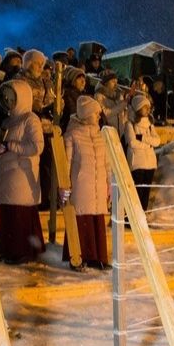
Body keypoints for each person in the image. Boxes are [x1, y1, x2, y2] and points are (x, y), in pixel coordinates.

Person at [0, 80, 45, 264]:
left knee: (20, 214)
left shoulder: (31, 119)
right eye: (5, 98)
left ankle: (23, 251)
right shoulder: (7, 121)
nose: (8, 101)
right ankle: (9, 250)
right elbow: (2, 143)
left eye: (11, 97)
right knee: (10, 215)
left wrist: (9, 147)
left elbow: (37, 146)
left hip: (22, 175)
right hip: (6, 174)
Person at [62, 96, 111, 268]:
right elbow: (65, 164)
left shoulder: (100, 136)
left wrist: (109, 185)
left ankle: (97, 257)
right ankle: (77, 257)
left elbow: (107, 164)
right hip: (81, 185)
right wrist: (64, 188)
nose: (99, 116)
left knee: (96, 221)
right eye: (96, 113)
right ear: (87, 114)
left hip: (98, 186)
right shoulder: (72, 135)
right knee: (81, 221)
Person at [124, 94, 161, 212]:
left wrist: (143, 138)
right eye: (145, 107)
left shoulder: (150, 125)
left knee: (146, 193)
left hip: (150, 163)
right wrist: (149, 144)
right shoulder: (130, 124)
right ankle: (133, 218)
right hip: (137, 163)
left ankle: (142, 217)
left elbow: (157, 141)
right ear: (138, 108)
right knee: (137, 193)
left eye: (148, 107)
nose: (148, 109)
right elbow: (132, 142)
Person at [95, 69, 131, 137]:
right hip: (109, 133)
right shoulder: (99, 95)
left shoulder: (118, 94)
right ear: (106, 83)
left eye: (116, 82)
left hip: (121, 133)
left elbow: (124, 113)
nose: (116, 84)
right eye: (113, 82)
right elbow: (105, 113)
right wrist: (123, 104)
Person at [60, 65, 86, 131]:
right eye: (79, 78)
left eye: (84, 79)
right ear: (72, 80)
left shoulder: (81, 95)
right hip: (72, 129)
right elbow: (73, 113)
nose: (83, 81)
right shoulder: (67, 94)